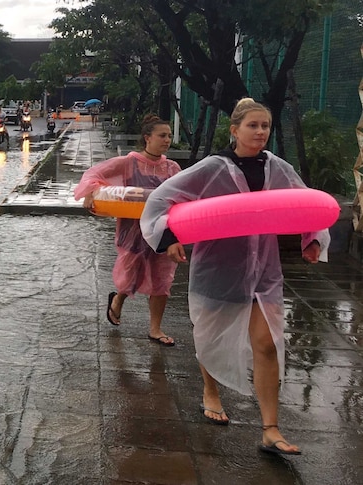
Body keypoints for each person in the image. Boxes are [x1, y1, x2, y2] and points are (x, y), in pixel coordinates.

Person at [141, 98, 330, 456]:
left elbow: (304, 202)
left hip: (264, 271)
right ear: (235, 130)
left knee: (267, 343)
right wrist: (168, 239)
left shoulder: (278, 168)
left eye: (266, 127)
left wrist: (313, 239)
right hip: (219, 266)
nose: (260, 133)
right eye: (253, 126)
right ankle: (211, 391)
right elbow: (161, 200)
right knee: (210, 336)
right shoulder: (213, 168)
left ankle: (270, 429)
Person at [72, 114, 180, 347]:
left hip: (162, 231)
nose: (167, 140)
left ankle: (155, 329)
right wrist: (91, 192)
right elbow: (94, 173)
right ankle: (118, 299)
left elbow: (182, 193)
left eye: (169, 136)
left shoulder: (172, 168)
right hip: (133, 230)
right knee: (130, 274)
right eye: (162, 135)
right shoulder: (129, 162)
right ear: (147, 138)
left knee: (163, 279)